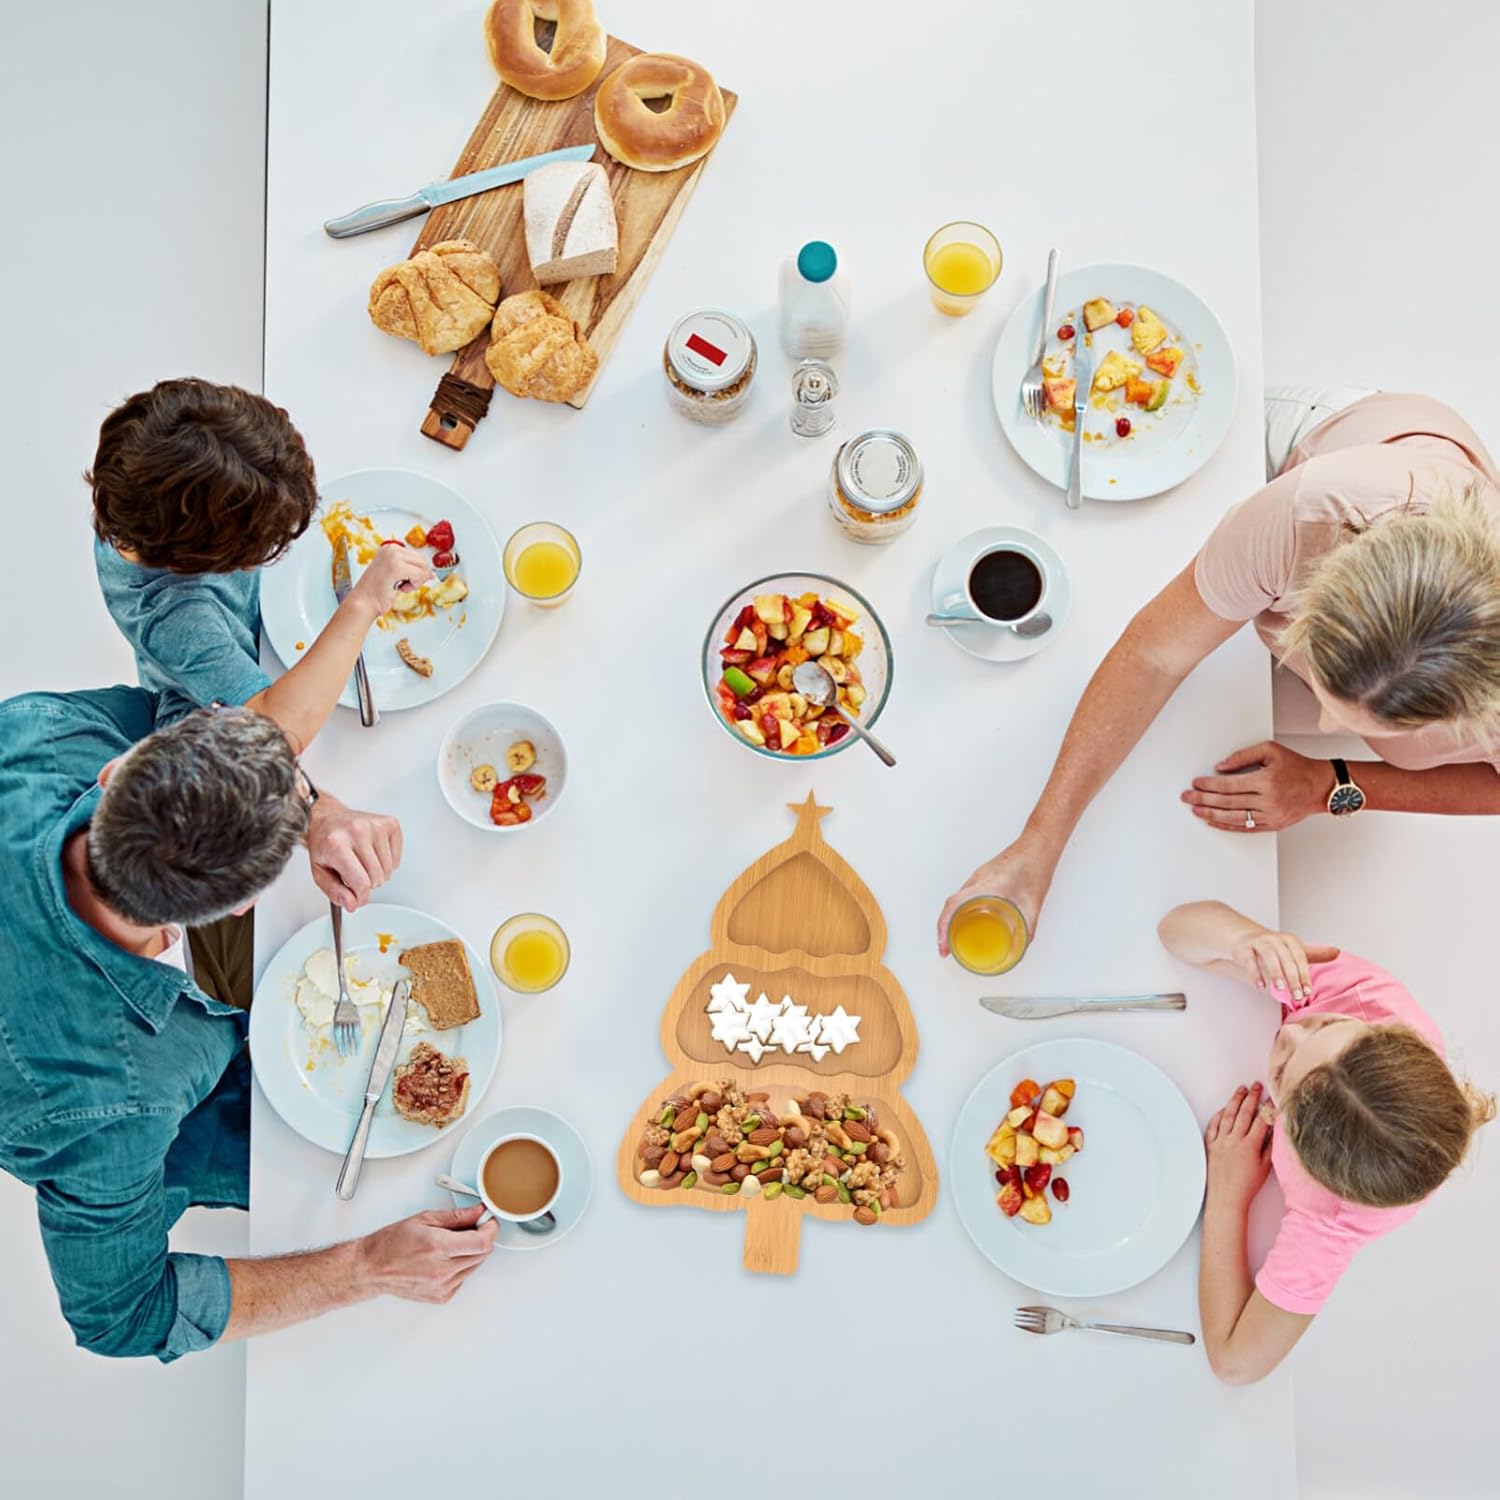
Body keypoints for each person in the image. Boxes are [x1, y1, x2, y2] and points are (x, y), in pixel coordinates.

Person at [0, 688, 494, 1361]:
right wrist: (369, 1265)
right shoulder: (110, 1114)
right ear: (244, 906)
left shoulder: (36, 731)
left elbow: (181, 709)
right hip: (139, 1111)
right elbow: (119, 1318)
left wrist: (322, 811)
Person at [937, 389, 1500, 948]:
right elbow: (1155, 654)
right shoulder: (1304, 514)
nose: (1331, 728)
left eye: (1355, 722)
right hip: (1314, 455)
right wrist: (1039, 842)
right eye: (1330, 699)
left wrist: (1333, 783)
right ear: (1313, 598)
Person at [1157, 899, 1493, 1384]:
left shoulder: (1332, 1220)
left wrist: (1229, 1196)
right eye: (1324, 1025)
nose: (1292, 1029)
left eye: (1281, 1073)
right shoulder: (1362, 998)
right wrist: (1242, 940)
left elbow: (1235, 1363)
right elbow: (1175, 930)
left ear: (1288, 1137)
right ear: (1387, 1033)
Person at [89, 378, 432, 747]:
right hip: (213, 718)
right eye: (264, 543)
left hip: (264, 630)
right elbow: (277, 734)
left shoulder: (158, 482)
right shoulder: (176, 619)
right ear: (211, 558)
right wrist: (365, 602)